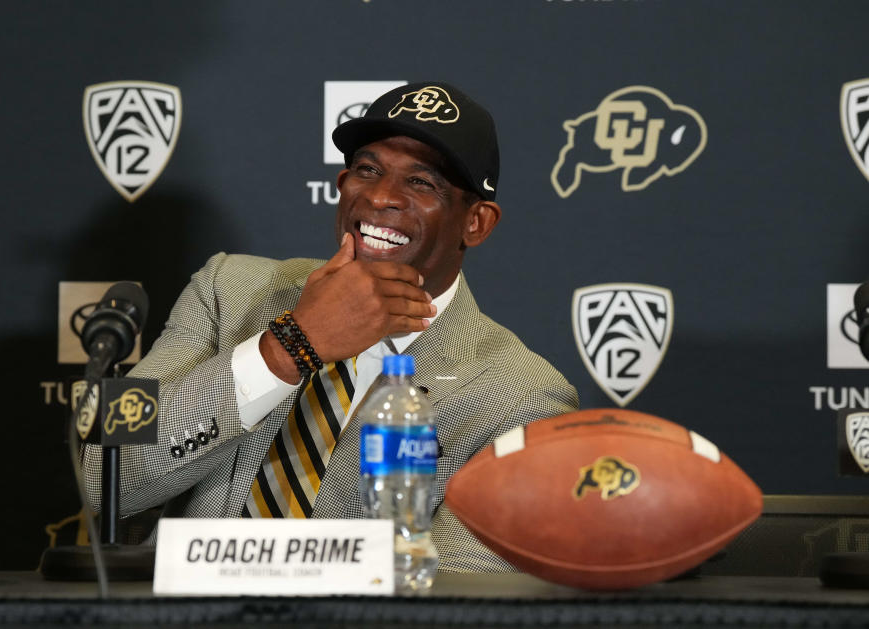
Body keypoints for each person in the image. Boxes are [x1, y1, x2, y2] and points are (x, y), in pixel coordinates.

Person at [82, 81, 578, 572]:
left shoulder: (522, 396)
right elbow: (105, 475)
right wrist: (289, 346)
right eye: (368, 169)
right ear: (342, 187)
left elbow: (452, 594)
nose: (382, 197)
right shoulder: (227, 289)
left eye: (422, 182)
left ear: (477, 223)